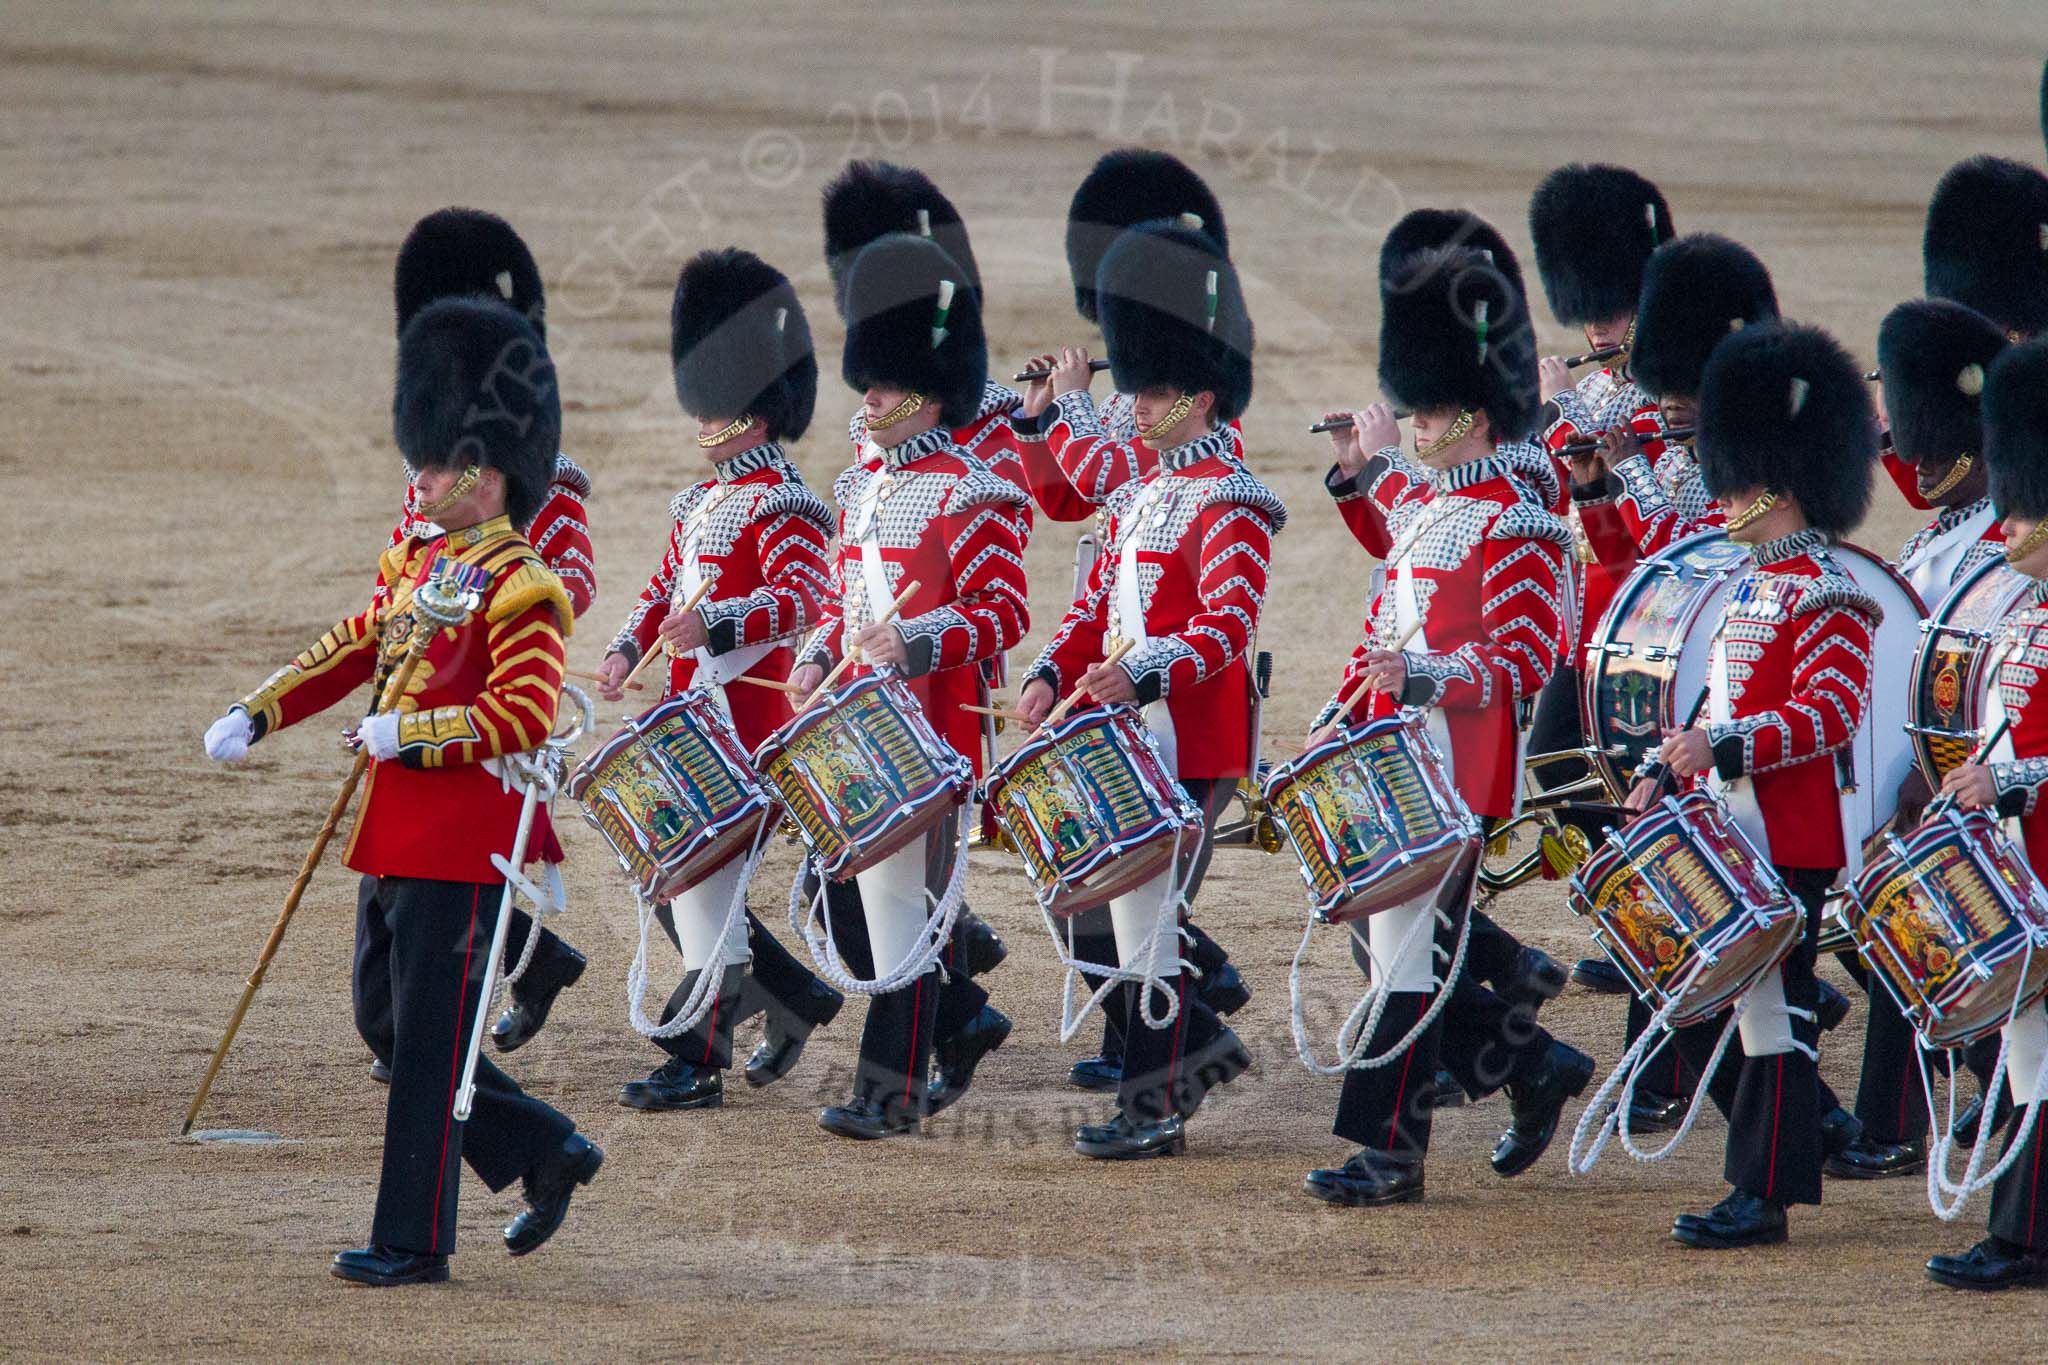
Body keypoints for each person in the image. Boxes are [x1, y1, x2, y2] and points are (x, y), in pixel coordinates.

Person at [202, 298, 599, 1286]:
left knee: (427, 1052)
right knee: (386, 1023)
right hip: (395, 834)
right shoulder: (420, 561)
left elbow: (521, 715)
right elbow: (355, 643)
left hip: (467, 840)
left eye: (432, 462)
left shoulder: (524, 587)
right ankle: (545, 1148)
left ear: (484, 471)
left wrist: (404, 735)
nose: (415, 478)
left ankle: (412, 1243)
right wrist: (261, 711)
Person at [1303, 242, 1593, 1207]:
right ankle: (1528, 1065)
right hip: (1395, 756)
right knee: (1397, 951)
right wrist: (1335, 714)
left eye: (1424, 411)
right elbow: (1385, 625)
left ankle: (1392, 1153)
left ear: (1467, 417)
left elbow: (1522, 659)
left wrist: (1421, 676)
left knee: (1403, 954)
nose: (1413, 424)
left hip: (1458, 765)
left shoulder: (1518, 521)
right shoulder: (1432, 505)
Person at [1622, 319, 1880, 1249]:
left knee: (1770, 1007)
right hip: (1732, 824)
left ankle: (1763, 1193)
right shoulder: (1747, 586)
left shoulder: (1829, 590)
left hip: (1789, 830)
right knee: (1732, 1005)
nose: (1720, 488)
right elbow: (1717, 702)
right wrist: (1671, 763)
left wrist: (1719, 747)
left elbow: (1828, 716)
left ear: (1774, 477)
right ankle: (1781, 1164)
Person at [1016, 218, 1267, 1159]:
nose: (1140, 403)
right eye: (1138, 386)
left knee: (1145, 921)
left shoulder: (1230, 500)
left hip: (1188, 737)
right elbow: (1094, 609)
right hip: (1120, 730)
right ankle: (1191, 1052)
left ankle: (1153, 1105)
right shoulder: (1139, 498)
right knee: (1090, 908)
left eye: (1156, 390)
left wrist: (1140, 671)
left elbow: (1224, 631)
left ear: (1199, 400)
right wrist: (1050, 671)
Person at [589, 247, 844, 1111]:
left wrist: (719, 625)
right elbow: (662, 588)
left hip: (746, 719)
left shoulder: (789, 504)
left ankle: (695, 1053)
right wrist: (627, 647)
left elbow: (803, 600)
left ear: (759, 412)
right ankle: (793, 999)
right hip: (687, 711)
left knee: (702, 880)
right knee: (678, 872)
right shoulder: (698, 503)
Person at [792, 231, 1030, 1139]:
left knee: (894, 907)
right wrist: (820, 654)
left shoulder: (973, 491)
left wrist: (914, 641)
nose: (870, 396)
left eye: (885, 385)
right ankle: (960, 1020)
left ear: (929, 396)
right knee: (850, 901)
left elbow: (1001, 612)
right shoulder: (860, 488)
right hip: (854, 722)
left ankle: (885, 1091)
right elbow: (839, 597)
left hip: (928, 727)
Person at [379, 208, 596, 1071]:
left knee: (473, 866)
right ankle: (526, 971)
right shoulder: (426, 478)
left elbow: (571, 581)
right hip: (419, 692)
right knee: (417, 869)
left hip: (492, 697)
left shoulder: (546, 481)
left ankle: (441, 1034)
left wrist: (489, 606)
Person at [1826, 299, 2011, 1181]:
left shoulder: (2002, 543)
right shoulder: (1949, 526)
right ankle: (1985, 1084)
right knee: (1903, 932)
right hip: (1930, 770)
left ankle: (1903, 1116)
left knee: (1916, 927)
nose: (1912, 455)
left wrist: (1923, 776)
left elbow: (1979, 672)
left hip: (1976, 775)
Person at [1922, 334, 2048, 1290]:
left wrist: (2006, 782)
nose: (2004, 523)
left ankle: (2024, 1237)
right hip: (2019, 849)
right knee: (2024, 1043)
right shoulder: (2025, 609)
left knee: (2037, 1049)